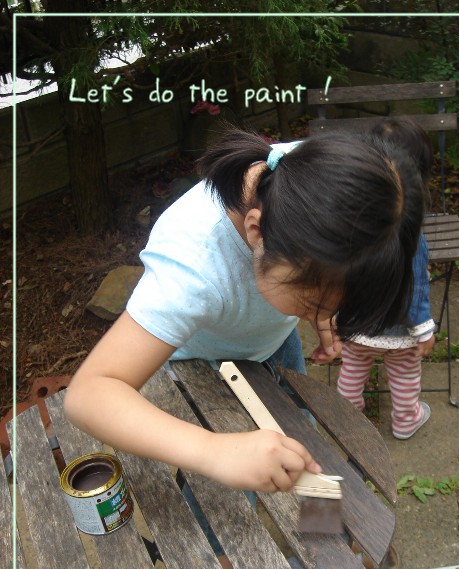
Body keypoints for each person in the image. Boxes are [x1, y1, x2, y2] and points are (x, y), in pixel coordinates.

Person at [64, 126, 425, 494]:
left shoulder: (320, 180)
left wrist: (322, 306)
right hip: (199, 366)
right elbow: (88, 394)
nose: (330, 311)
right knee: (223, 491)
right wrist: (213, 451)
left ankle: (304, 521)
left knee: (296, 449)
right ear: (256, 232)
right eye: (312, 301)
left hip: (267, 337)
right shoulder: (192, 267)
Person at [336, 117, 436, 440]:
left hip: (357, 322)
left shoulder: (350, 222)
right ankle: (406, 419)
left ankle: (347, 415)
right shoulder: (411, 234)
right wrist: (423, 328)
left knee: (352, 370)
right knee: (405, 374)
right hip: (400, 326)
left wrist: (337, 313)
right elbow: (415, 285)